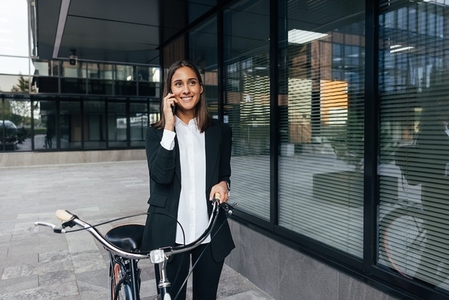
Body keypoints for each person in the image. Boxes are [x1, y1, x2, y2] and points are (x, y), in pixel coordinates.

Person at [141, 60, 235, 300]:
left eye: (192, 82)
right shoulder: (155, 133)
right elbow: (160, 176)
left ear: (201, 87)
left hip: (209, 232)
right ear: (170, 92)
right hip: (171, 234)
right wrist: (169, 126)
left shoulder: (220, 131)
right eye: (178, 84)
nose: (186, 90)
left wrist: (223, 185)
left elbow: (224, 174)